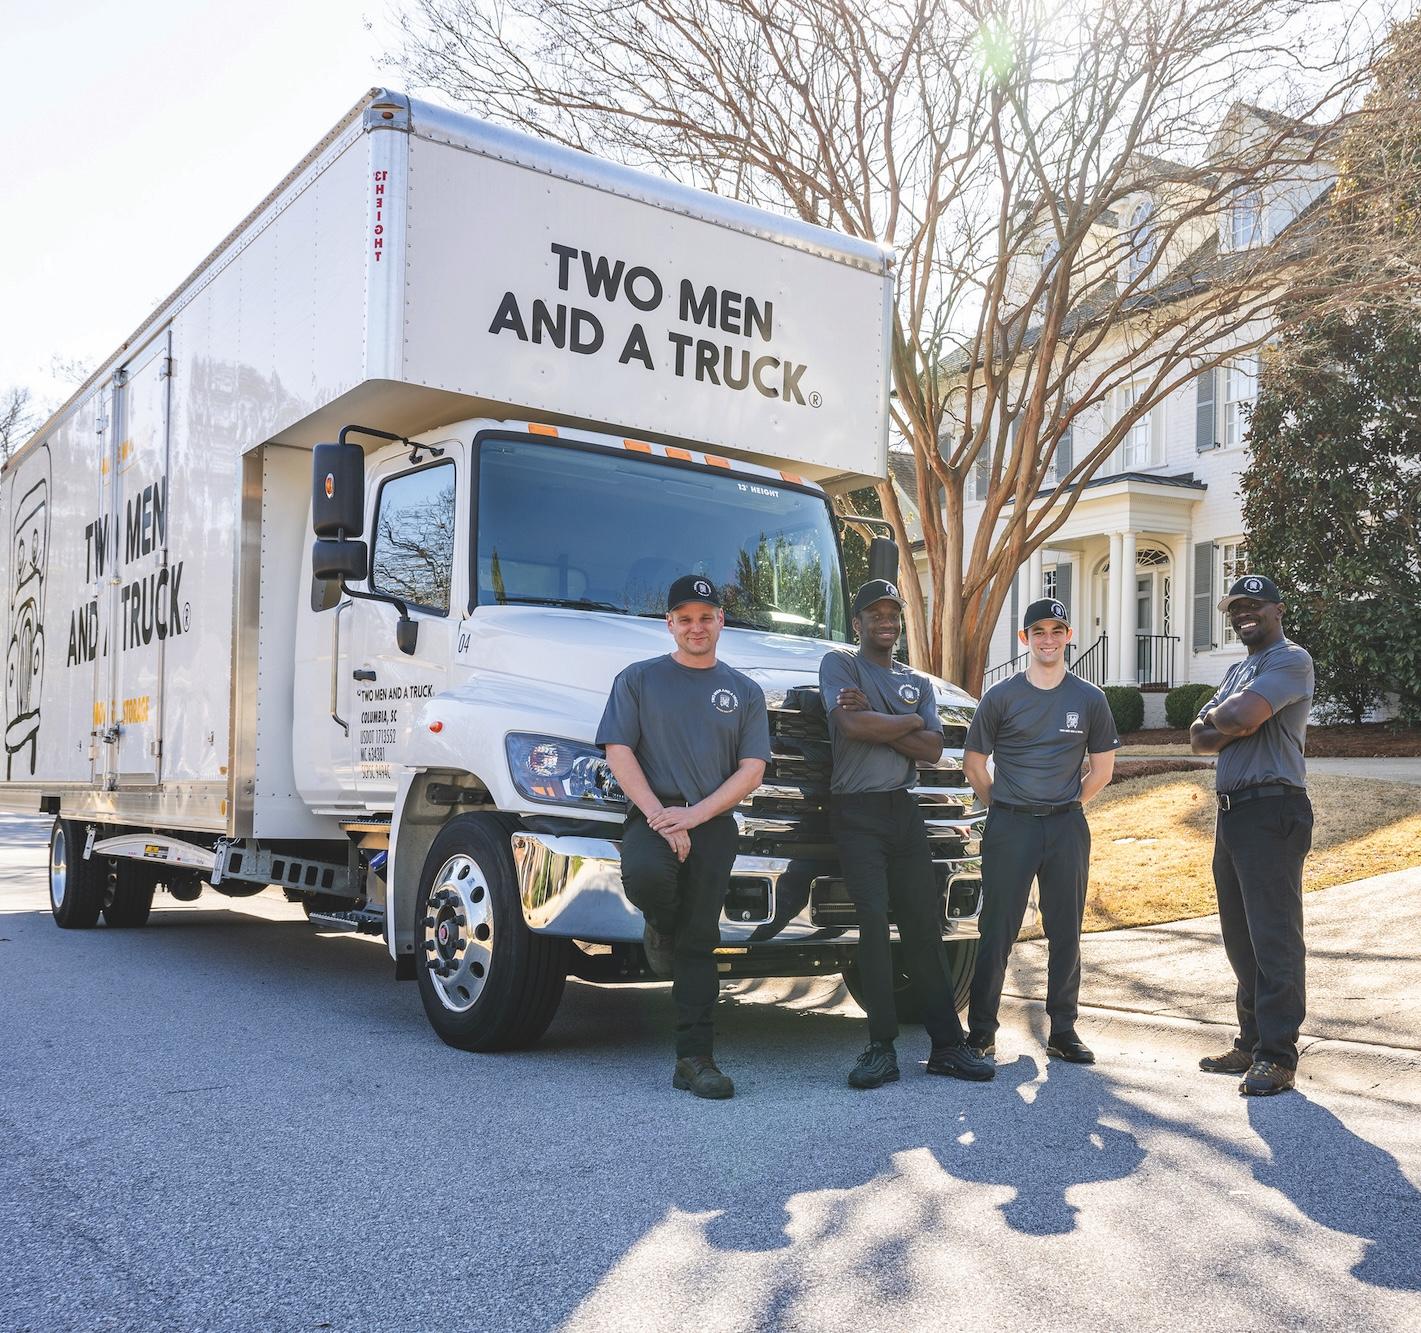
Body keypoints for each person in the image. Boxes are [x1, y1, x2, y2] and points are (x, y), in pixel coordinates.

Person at [597, 574, 770, 1100]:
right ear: (669, 623)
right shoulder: (639, 679)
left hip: (711, 822)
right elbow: (618, 750)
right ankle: (658, 926)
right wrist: (659, 816)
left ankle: (695, 1060)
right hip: (652, 816)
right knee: (646, 877)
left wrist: (693, 817)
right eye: (686, 618)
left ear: (722, 621)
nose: (697, 627)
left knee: (700, 939)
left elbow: (752, 768)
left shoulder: (744, 690)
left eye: (707, 616)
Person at [820, 580, 995, 1089]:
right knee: (873, 925)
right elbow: (851, 729)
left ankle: (947, 1046)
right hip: (855, 812)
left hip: (904, 810)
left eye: (892, 612)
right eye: (873, 613)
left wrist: (890, 720)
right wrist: (909, 723)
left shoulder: (916, 682)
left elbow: (933, 749)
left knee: (924, 926)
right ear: (858, 623)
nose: (885, 621)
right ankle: (880, 1048)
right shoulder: (841, 665)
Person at [963, 598, 1119, 1065]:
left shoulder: (1090, 698)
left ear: (1068, 635)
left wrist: (1066, 806)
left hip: (1066, 826)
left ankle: (1063, 1030)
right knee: (997, 930)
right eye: (1039, 631)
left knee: (1066, 930)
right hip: (1010, 825)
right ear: (1024, 639)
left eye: (1057, 630)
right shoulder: (1001, 696)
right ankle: (982, 1032)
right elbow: (974, 766)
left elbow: (1102, 771)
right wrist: (1006, 808)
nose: (1048, 639)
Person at [1189, 574, 1315, 1097]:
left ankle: (1279, 1055)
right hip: (1233, 812)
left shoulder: (1290, 660)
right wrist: (1228, 720)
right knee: (1240, 935)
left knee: (1274, 936)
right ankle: (1251, 1039)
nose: (1243, 613)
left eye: (1253, 605)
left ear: (1277, 609)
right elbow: (1199, 737)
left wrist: (1229, 718)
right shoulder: (1240, 669)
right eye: (1235, 607)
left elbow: (1237, 717)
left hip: (1273, 809)